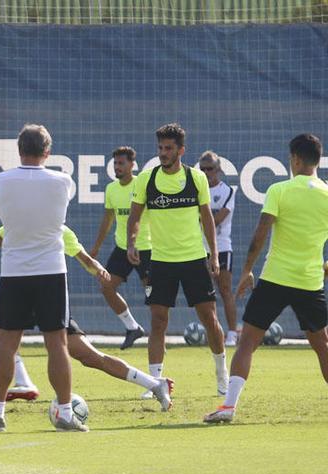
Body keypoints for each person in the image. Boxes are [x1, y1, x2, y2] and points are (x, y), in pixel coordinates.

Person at [0, 223, 173, 412]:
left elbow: (84, 257)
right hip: (24, 294)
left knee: (91, 358)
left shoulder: (58, 229)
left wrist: (99, 270)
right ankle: (23, 382)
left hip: (49, 299)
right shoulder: (16, 222)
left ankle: (154, 384)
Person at [205, 134, 328, 424]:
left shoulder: (280, 189)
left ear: (295, 159)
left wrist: (247, 269)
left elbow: (261, 232)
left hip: (274, 279)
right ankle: (228, 407)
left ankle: (228, 407)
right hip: (310, 282)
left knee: (247, 342)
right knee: (322, 345)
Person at [0, 123, 85, 433]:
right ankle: (65, 414)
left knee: (7, 345)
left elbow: (2, 204)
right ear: (48, 152)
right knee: (57, 344)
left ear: (19, 150)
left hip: (13, 272)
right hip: (51, 271)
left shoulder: (1, 180)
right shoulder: (63, 180)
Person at [127, 123, 228, 396]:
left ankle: (222, 376)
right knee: (158, 320)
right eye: (160, 148)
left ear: (181, 150)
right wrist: (132, 243)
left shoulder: (196, 178)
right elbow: (135, 218)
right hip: (160, 261)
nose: (163, 153)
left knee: (209, 318)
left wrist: (214, 255)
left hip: (194, 259)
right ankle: (154, 383)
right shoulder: (146, 180)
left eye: (168, 148)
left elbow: (207, 219)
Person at [90, 146, 150, 350]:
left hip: (146, 248)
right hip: (122, 249)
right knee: (106, 287)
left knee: (153, 294)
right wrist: (96, 247)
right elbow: (107, 219)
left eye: (121, 163)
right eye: (115, 163)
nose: (117, 167)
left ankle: (158, 336)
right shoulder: (111, 189)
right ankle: (132, 327)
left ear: (132, 165)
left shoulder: (142, 185)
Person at [198, 151, 238, 346]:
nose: (206, 173)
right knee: (205, 293)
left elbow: (214, 221)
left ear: (218, 169)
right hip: (198, 249)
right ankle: (213, 332)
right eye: (203, 169)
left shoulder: (227, 192)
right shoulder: (195, 192)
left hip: (221, 247)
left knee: (225, 290)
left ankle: (232, 332)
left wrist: (201, 220)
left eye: (210, 169)